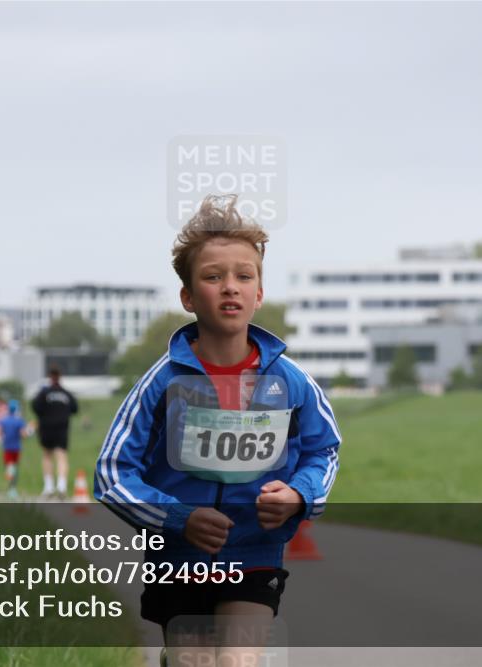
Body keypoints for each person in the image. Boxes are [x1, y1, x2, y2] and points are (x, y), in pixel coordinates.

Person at [94, 195, 341, 664]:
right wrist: (178, 517)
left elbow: (323, 451)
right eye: (213, 277)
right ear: (188, 297)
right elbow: (111, 476)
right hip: (179, 560)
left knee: (237, 661)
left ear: (259, 293)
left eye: (244, 276)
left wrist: (299, 497)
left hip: (255, 553)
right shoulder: (161, 382)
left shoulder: (291, 382)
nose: (230, 287)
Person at [31, 367, 78, 499]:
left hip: (46, 428)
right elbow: (75, 409)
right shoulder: (67, 393)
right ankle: (61, 486)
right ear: (60, 377)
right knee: (61, 456)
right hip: (62, 428)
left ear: (50, 377)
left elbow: (35, 407)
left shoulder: (44, 392)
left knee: (47, 456)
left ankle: (49, 487)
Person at [0, 400, 30, 498]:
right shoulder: (19, 421)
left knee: (9, 467)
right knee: (14, 468)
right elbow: (23, 434)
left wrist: (2, 440)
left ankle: (10, 487)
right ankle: (13, 488)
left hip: (7, 447)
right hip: (16, 447)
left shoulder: (3, 420)